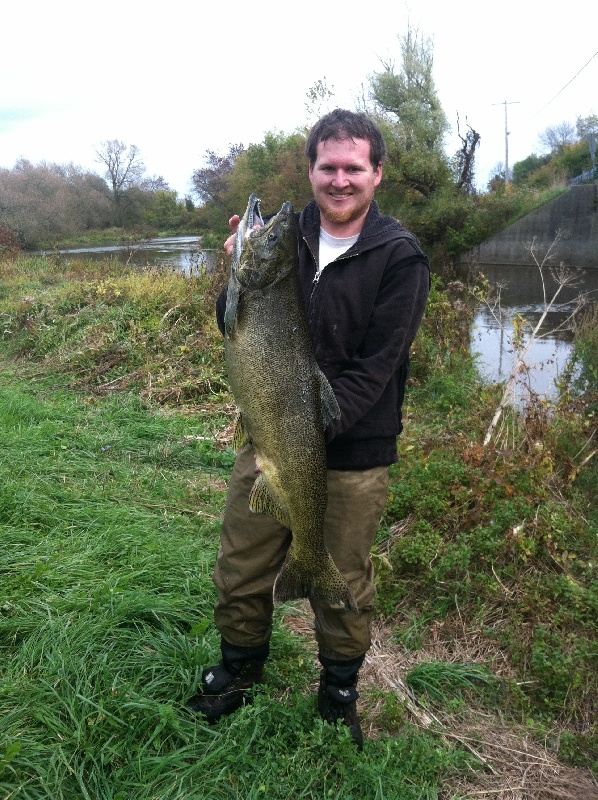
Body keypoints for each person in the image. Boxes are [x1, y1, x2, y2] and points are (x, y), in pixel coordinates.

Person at [185, 109, 430, 749]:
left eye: (354, 168)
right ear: (313, 170)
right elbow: (232, 323)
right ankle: (239, 671)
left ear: (377, 174)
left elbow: (378, 366)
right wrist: (235, 268)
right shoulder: (283, 237)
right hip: (268, 441)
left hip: (352, 451)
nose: (340, 180)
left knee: (340, 576)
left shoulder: (401, 258)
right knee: (240, 562)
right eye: (329, 167)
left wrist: (309, 429)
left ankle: (338, 693)